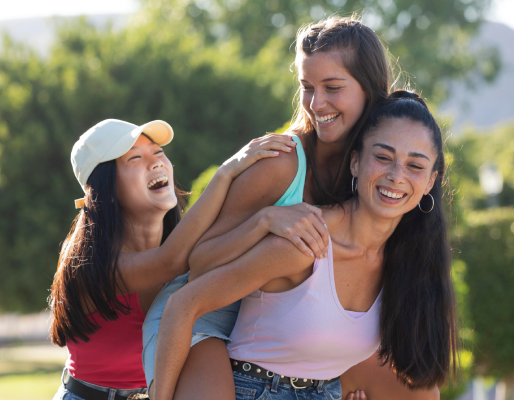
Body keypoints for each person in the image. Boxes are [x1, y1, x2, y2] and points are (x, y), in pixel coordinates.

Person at [142, 15, 394, 399]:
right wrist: (265, 220)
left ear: (370, 90)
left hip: (274, 330)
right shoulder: (281, 162)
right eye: (307, 87)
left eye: (332, 87)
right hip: (200, 316)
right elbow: (200, 265)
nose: (316, 103)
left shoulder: (378, 169)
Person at [153, 91, 458, 400]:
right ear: (355, 163)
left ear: (430, 182)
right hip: (254, 389)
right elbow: (184, 303)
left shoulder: (407, 261)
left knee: (423, 394)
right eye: (383, 158)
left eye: (415, 166)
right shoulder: (307, 240)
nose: (396, 176)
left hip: (325, 391)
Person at [49, 118, 327, 400]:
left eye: (158, 152)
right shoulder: (87, 263)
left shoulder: (189, 246)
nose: (156, 163)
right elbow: (170, 262)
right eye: (135, 158)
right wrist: (227, 172)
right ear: (104, 191)